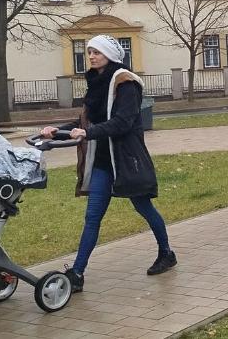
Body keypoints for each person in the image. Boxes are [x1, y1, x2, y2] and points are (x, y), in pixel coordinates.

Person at [41, 34, 175, 293]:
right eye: (89, 52)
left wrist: (88, 133)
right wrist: (56, 130)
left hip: (126, 160)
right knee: (92, 218)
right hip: (103, 161)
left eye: (97, 52)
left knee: (144, 207)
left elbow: (123, 123)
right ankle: (77, 274)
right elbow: (86, 122)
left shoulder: (126, 83)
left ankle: (166, 253)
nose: (91, 56)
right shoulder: (96, 83)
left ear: (111, 55)